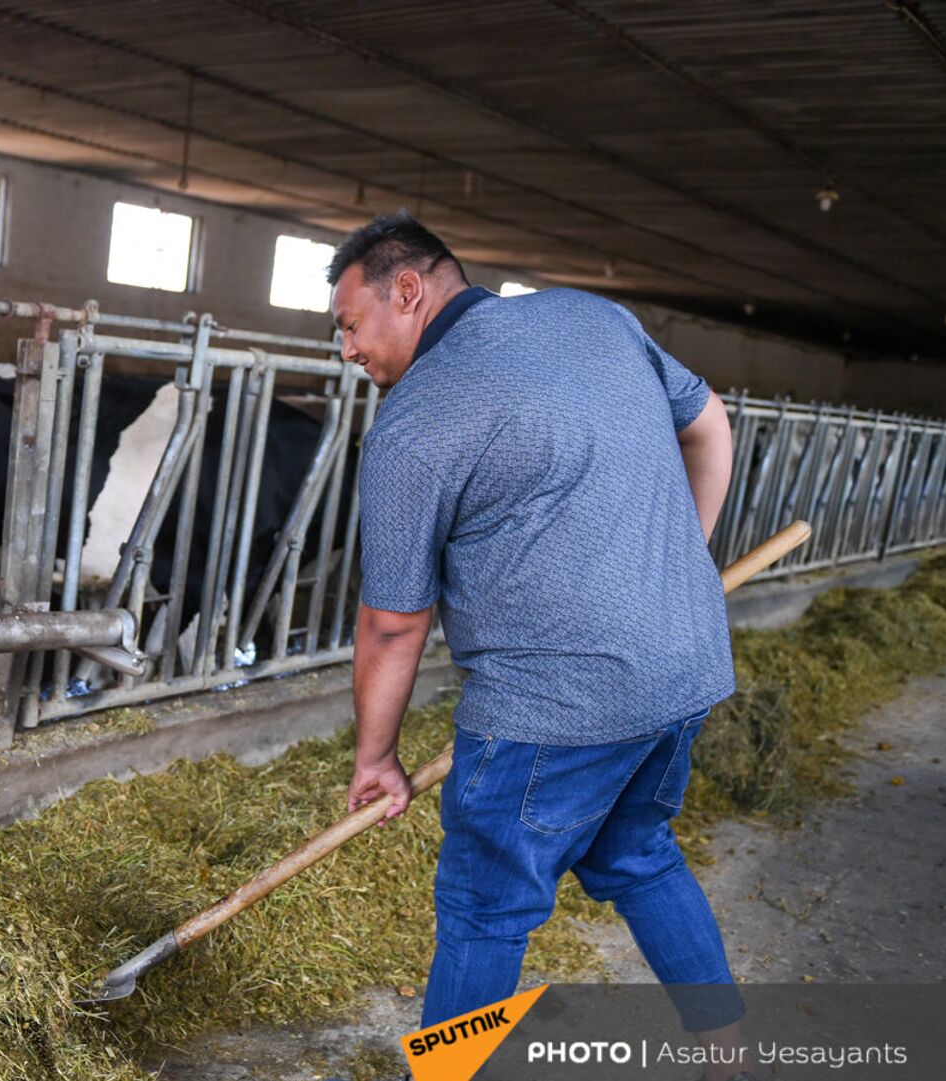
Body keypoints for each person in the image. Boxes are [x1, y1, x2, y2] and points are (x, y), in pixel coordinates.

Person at [331, 211, 750, 1079]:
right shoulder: (596, 317)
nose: (346, 350)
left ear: (407, 290)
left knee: (486, 908)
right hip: (684, 670)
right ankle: (733, 1056)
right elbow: (711, 424)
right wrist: (679, 572)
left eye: (348, 324)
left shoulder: (414, 423)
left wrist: (377, 756)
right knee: (636, 853)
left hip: (551, 706)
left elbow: (393, 622)